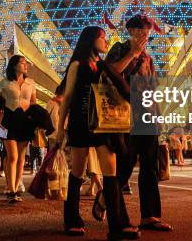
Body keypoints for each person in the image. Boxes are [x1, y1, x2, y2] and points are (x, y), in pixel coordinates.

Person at [56, 25, 140, 240]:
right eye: (102, 38)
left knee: (110, 173)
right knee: (77, 171)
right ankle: (72, 220)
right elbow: (67, 98)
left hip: (104, 124)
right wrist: (60, 129)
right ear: (91, 40)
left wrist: (133, 55)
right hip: (80, 122)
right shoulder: (77, 64)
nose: (106, 41)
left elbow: (119, 77)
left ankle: (117, 225)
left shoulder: (103, 65)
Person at [106, 14, 173, 232]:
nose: (146, 35)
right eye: (142, 30)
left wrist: (159, 116)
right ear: (131, 31)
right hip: (125, 117)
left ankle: (150, 216)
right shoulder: (119, 48)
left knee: (149, 167)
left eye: (148, 31)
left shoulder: (148, 59)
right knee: (124, 166)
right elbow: (109, 74)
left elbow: (153, 91)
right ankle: (108, 199)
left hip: (147, 118)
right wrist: (131, 54)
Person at [0, 55, 37, 203]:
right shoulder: (5, 83)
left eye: (26, 63)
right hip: (9, 119)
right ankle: (11, 189)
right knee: (12, 156)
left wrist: (37, 120)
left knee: (20, 158)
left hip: (25, 121)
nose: (25, 65)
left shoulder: (31, 83)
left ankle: (14, 187)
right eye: (22, 63)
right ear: (14, 66)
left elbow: (33, 103)